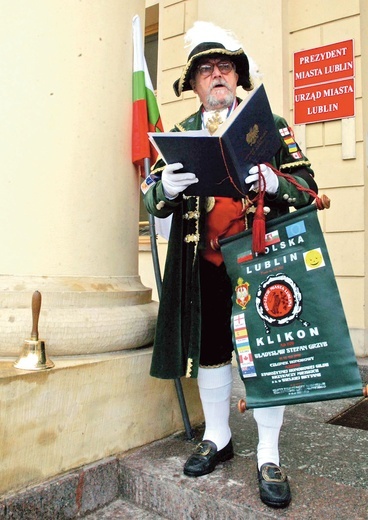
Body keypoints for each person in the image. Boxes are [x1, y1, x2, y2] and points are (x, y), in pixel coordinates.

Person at [142, 21, 318, 509]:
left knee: (265, 353)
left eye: (224, 68)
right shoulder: (177, 136)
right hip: (205, 263)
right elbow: (153, 198)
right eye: (205, 70)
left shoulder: (273, 126)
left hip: (263, 261)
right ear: (194, 84)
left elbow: (307, 185)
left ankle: (268, 453)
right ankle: (218, 438)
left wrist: (275, 181)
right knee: (213, 350)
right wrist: (166, 191)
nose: (216, 76)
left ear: (237, 77)